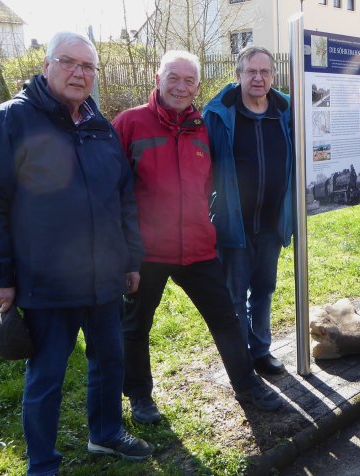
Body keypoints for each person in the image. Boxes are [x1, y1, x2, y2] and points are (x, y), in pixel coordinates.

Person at [0, 31, 152, 475]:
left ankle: (105, 434)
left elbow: (124, 198)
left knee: (110, 361)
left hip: (105, 276)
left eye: (88, 66)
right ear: (46, 65)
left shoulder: (99, 126)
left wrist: (130, 259)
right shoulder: (9, 120)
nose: (79, 73)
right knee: (47, 376)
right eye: (68, 62)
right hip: (45, 280)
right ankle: (43, 464)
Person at [112, 50, 283, 421]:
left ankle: (246, 384)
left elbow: (210, 184)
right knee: (136, 326)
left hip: (197, 245)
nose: (181, 86)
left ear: (198, 87)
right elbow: (113, 190)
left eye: (189, 80)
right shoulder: (129, 124)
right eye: (173, 77)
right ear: (157, 79)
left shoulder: (203, 127)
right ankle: (140, 396)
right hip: (147, 250)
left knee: (225, 318)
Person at [203, 46, 293, 376]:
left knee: (265, 290)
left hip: (271, 222)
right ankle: (240, 360)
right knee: (235, 294)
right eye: (251, 72)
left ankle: (261, 350)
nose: (258, 78)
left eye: (264, 72)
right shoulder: (219, 114)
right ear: (238, 74)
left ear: (273, 75)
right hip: (234, 223)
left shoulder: (284, 110)